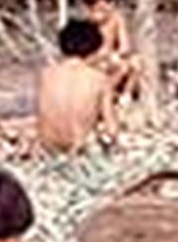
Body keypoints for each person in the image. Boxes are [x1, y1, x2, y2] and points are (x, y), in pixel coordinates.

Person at [36, 19, 117, 155]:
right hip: (79, 149)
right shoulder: (99, 79)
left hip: (48, 149)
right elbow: (112, 129)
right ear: (94, 49)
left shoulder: (46, 75)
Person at [82, 0, 138, 99]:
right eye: (94, 11)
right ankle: (101, 94)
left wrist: (114, 55)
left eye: (102, 10)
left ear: (111, 5)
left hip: (111, 60)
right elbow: (83, 56)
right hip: (93, 62)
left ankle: (124, 97)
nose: (98, 15)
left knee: (134, 63)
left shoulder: (117, 19)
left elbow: (125, 46)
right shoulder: (87, 25)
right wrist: (99, 58)